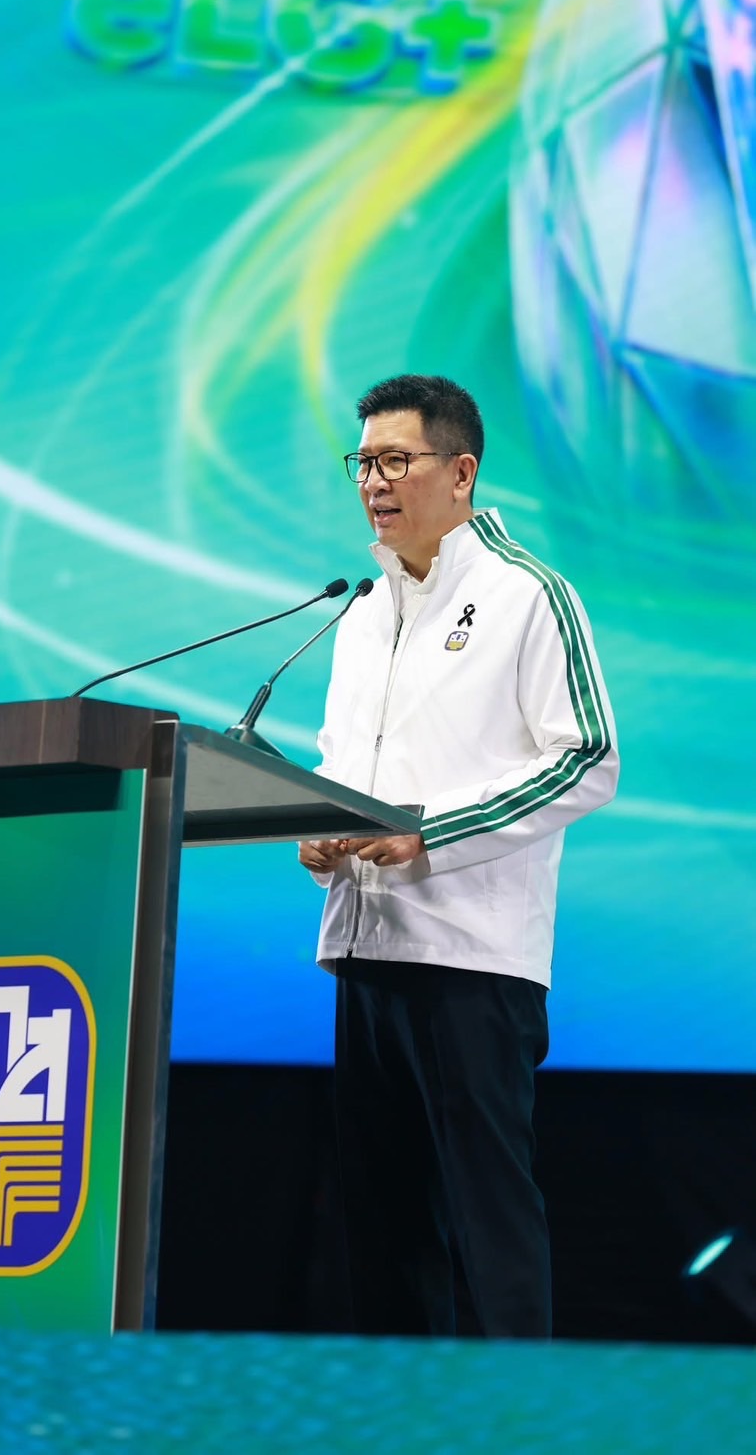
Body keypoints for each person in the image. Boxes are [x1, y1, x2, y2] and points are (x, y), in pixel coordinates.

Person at [299, 373, 619, 1338]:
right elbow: (344, 763)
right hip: (366, 951)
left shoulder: (527, 595)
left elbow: (586, 758)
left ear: (462, 471)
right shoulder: (362, 610)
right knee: (384, 1232)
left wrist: (428, 832)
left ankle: (514, 1411)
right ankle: (404, 1411)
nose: (373, 482)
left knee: (489, 1229)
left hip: (472, 960)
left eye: (396, 460)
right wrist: (319, 823)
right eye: (363, 463)